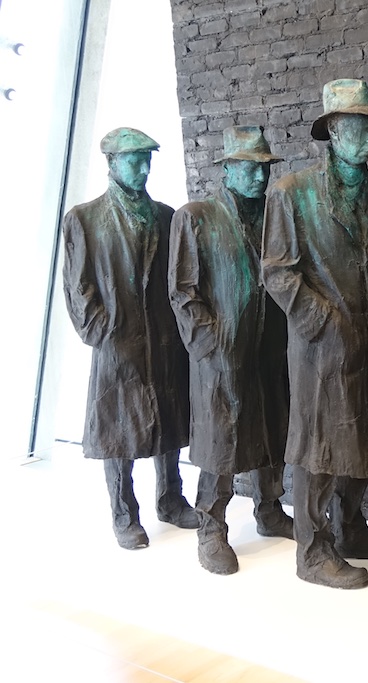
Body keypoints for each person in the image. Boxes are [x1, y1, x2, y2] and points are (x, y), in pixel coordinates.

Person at [262, 79, 368, 590]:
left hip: (365, 339)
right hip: (320, 348)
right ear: (334, 130)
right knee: (318, 447)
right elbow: (277, 273)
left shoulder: (362, 186)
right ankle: (311, 550)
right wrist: (325, 322)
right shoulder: (292, 192)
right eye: (361, 129)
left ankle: (350, 528)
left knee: (361, 434)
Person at [62, 127, 198, 550]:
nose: (142, 168)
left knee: (170, 418)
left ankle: (171, 499)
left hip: (164, 337)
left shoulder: (167, 216)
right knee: (118, 429)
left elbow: (179, 277)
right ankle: (124, 513)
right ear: (111, 163)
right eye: (133, 160)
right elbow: (78, 285)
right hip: (117, 342)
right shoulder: (85, 219)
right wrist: (102, 329)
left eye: (147, 159)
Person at [168, 126, 294, 575]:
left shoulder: (274, 215)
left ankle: (270, 509)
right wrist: (212, 344)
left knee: (272, 426)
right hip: (221, 352)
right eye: (249, 168)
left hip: (270, 345)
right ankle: (210, 525)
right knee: (221, 439)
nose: (259, 177)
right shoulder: (196, 217)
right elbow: (183, 292)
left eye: (263, 168)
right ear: (227, 169)